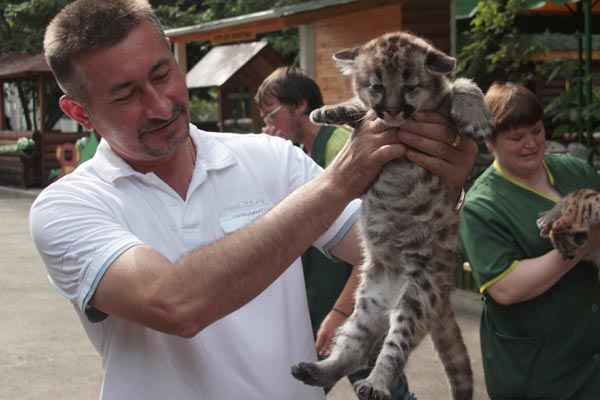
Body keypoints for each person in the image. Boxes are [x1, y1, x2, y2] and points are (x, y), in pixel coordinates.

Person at [30, 1, 477, 398]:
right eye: (127, 95)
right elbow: (173, 304)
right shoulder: (68, 206)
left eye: (162, 74)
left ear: (171, 53)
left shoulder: (272, 159)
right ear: (79, 112)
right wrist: (342, 179)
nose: (161, 106)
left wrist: (444, 190)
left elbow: (387, 253)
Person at [255, 65, 413, 399]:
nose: (268, 127)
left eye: (272, 114)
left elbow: (375, 244)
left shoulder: (344, 149)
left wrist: (341, 313)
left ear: (300, 105)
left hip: (359, 306)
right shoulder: (303, 153)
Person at [459, 81, 600, 400]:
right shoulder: (482, 205)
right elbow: (506, 289)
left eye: (536, 131)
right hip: (539, 371)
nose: (531, 144)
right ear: (490, 141)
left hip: (590, 359)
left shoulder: (575, 170)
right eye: (516, 137)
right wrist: (583, 242)